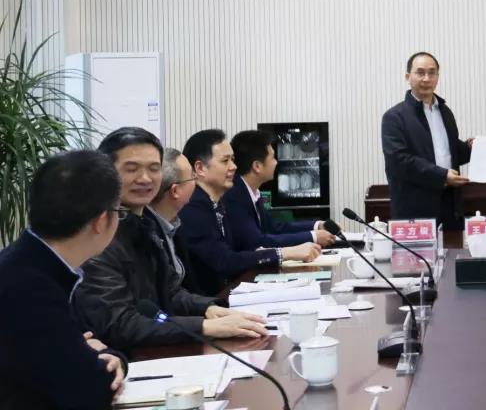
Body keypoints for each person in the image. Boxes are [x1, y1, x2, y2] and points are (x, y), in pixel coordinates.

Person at [79, 127, 267, 352]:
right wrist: (204, 326)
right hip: (122, 360)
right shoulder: (97, 236)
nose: (145, 178)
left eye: (154, 168)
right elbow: (120, 324)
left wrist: (210, 308)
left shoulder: (146, 224)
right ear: (106, 173)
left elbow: (170, 293)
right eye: (132, 169)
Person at [0, 151, 126, 410]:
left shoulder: (35, 263)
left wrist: (104, 355)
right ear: (102, 220)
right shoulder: (30, 286)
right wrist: (102, 358)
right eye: (118, 211)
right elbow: (88, 390)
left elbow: (89, 344)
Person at [179, 128, 321, 295]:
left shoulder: (217, 202)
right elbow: (225, 261)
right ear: (200, 168)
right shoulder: (193, 207)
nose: (233, 167)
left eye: (233, 160)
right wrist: (284, 253)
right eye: (225, 161)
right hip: (209, 303)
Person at [381, 52, 471, 227]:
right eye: (420, 72)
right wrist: (442, 175)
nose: (426, 78)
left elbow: (449, 151)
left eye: (432, 73)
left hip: (450, 206)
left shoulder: (445, 112)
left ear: (438, 77)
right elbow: (399, 161)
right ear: (408, 77)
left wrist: (475, 148)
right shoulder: (394, 117)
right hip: (414, 211)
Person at [223, 129, 336, 250]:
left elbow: (275, 228)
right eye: (273, 158)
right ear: (257, 166)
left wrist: (318, 225)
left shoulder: (251, 192)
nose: (276, 162)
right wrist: (313, 237)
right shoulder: (234, 196)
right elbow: (258, 242)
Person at [146, 148, 196, 287]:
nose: (196, 181)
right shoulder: (146, 233)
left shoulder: (174, 224)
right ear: (175, 190)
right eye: (192, 176)